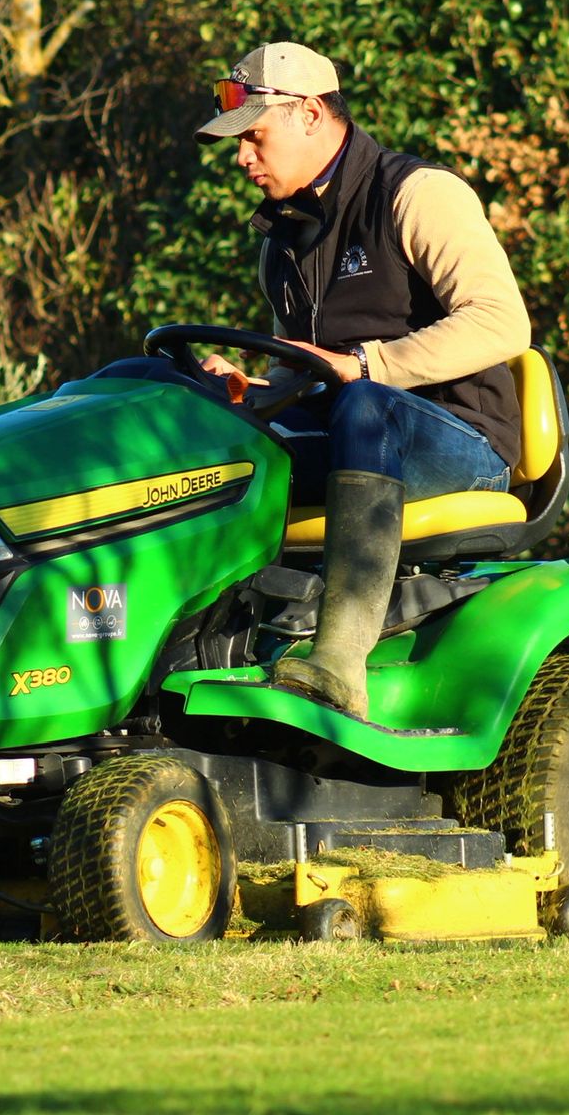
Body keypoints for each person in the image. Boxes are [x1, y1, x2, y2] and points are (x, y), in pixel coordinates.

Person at [193, 41, 530, 718]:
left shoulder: (417, 194)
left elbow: (503, 323)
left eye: (254, 137)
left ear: (311, 114)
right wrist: (248, 393)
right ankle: (197, 644)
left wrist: (370, 366)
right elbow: (302, 374)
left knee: (363, 406)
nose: (242, 158)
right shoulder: (280, 243)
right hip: (354, 430)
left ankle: (341, 662)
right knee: (201, 425)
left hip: (460, 441)